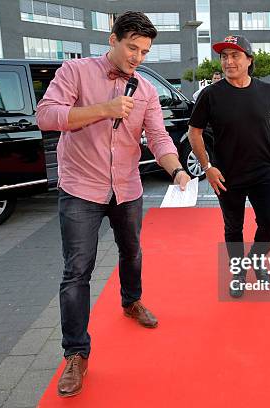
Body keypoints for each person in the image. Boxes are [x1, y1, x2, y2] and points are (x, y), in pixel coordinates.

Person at [36, 11, 190, 397]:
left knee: (132, 252)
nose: (138, 57)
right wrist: (102, 109)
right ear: (113, 39)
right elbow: (46, 116)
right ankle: (76, 354)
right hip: (80, 189)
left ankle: (132, 301)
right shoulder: (76, 72)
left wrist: (176, 171)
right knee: (77, 271)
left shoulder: (147, 90)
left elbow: (157, 136)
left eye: (145, 51)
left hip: (126, 187)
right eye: (132, 47)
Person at [188, 35, 270, 298]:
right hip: (226, 174)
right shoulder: (211, 94)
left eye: (235, 55)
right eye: (224, 56)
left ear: (249, 60)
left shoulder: (266, 91)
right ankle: (238, 271)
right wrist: (207, 166)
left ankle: (256, 260)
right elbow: (194, 132)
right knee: (233, 228)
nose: (228, 61)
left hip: (264, 171)